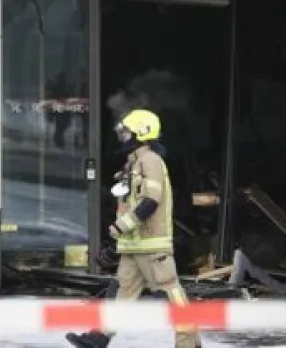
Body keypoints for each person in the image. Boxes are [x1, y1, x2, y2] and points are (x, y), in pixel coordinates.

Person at [66, 109, 199, 348]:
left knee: (170, 293)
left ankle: (189, 343)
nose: (123, 137)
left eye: (126, 132)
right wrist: (119, 240)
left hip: (152, 247)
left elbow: (151, 201)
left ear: (142, 132)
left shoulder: (151, 161)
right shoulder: (134, 163)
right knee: (120, 293)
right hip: (134, 247)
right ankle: (98, 338)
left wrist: (122, 226)